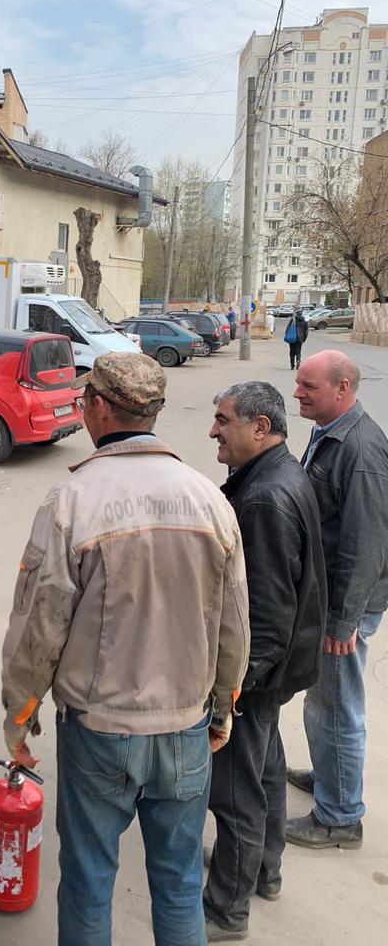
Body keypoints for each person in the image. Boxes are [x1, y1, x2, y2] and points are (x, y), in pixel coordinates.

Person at [0, 352, 250, 946]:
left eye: (85, 401)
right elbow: (235, 625)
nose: (83, 410)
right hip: (185, 730)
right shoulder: (210, 501)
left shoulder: (72, 502)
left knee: (88, 879)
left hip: (100, 730)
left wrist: (18, 717)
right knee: (179, 881)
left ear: (101, 409)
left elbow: (39, 630)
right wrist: (221, 709)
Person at [204, 382, 326, 942]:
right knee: (267, 769)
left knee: (235, 791)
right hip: (278, 669)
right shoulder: (275, 475)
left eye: (223, 420)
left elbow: (268, 613)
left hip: (255, 674)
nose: (213, 431)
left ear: (260, 428)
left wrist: (232, 692)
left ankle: (228, 908)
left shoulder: (264, 499)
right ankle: (264, 871)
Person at [286, 350, 388, 849]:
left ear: (343, 389)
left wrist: (342, 622)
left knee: (336, 707)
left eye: (309, 386)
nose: (297, 393)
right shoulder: (328, 432)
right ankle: (331, 780)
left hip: (344, 608)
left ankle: (340, 816)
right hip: (328, 601)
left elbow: (366, 542)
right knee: (322, 701)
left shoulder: (362, 450)